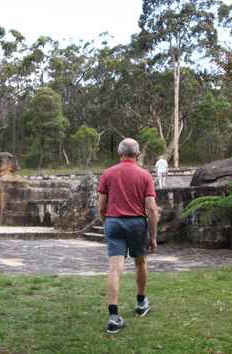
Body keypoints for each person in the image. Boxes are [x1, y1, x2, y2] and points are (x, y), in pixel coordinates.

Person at [98, 138, 159, 334]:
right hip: (137, 224)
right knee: (140, 262)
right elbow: (151, 207)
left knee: (115, 269)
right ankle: (141, 304)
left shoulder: (108, 174)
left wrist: (105, 222)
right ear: (138, 155)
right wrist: (153, 235)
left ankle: (113, 316)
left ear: (119, 153)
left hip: (113, 222)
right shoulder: (145, 176)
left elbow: (101, 206)